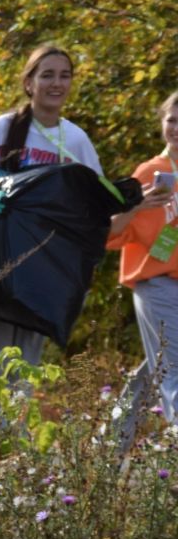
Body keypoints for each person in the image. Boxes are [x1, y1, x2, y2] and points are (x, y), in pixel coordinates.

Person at [0, 44, 102, 381]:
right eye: (47, 75)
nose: (57, 83)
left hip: (43, 277)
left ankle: (12, 436)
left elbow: (99, 208)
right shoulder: (4, 129)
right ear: (29, 83)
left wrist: (140, 200)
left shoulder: (76, 140)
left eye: (64, 76)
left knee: (21, 375)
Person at [105, 91, 178, 440]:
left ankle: (104, 453)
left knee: (153, 371)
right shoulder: (150, 172)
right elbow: (112, 229)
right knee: (174, 372)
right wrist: (140, 205)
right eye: (172, 120)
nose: (177, 128)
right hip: (158, 284)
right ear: (162, 123)